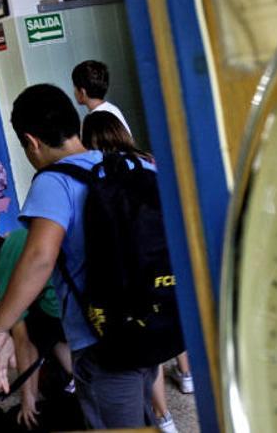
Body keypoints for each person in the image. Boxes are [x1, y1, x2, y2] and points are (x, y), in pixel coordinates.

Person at [0, 84, 158, 428]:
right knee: (139, 415)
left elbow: (39, 258)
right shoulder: (130, 163)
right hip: (152, 321)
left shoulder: (54, 181)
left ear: (31, 141)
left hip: (101, 339)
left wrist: (0, 326)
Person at [82, 111, 191, 433]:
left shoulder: (100, 179)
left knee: (137, 354)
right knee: (155, 346)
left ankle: (162, 416)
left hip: (127, 297)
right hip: (165, 283)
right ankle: (185, 377)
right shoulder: (150, 164)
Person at [0, 227, 75, 429]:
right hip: (81, 292)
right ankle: (76, 376)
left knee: (33, 334)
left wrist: (28, 401)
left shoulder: (4, 278)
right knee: (43, 328)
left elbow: (23, 342)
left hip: (66, 312)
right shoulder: (18, 235)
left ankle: (76, 378)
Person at [71, 60, 131, 135]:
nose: (74, 91)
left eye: (74, 87)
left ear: (83, 92)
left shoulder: (92, 121)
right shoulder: (113, 109)